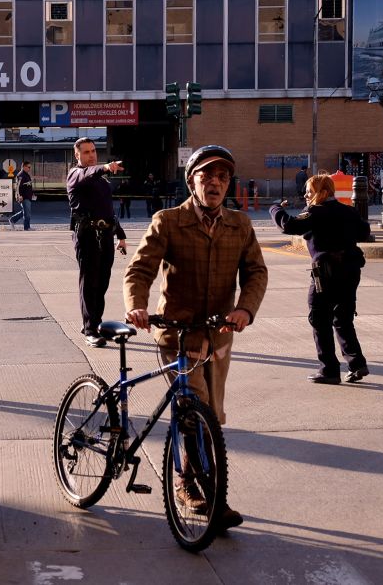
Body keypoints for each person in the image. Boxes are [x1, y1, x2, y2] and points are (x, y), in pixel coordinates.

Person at [123, 144, 268, 532]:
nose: (216, 183)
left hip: (219, 335)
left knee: (212, 415)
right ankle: (206, 495)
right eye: (207, 176)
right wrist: (137, 306)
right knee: (196, 409)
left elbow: (256, 272)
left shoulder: (240, 225)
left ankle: (187, 478)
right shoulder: (168, 221)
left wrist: (245, 309)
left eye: (222, 177)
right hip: (177, 335)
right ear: (192, 181)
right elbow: (139, 270)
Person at [270, 173, 371, 384]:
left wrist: (275, 208)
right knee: (343, 318)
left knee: (319, 319)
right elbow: (364, 232)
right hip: (350, 270)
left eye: (308, 192)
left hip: (325, 273)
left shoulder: (315, 212)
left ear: (319, 192)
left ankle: (329, 370)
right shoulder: (348, 210)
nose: (306, 197)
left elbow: (288, 225)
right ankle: (357, 364)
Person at [67, 138, 128, 347]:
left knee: (102, 282)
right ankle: (90, 330)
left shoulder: (101, 180)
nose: (91, 155)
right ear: (77, 155)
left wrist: (120, 235)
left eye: (93, 151)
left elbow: (108, 209)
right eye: (86, 152)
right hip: (86, 235)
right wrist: (104, 168)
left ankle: (95, 323)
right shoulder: (76, 174)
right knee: (89, 283)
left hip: (105, 235)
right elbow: (86, 174)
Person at [8, 160, 35, 230]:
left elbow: (27, 186)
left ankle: (12, 220)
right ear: (24, 167)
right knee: (27, 213)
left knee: (25, 211)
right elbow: (17, 187)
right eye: (28, 167)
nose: (30, 168)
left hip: (27, 196)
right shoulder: (20, 175)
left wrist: (32, 194)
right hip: (23, 197)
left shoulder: (26, 175)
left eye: (30, 167)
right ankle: (27, 227)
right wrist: (19, 195)